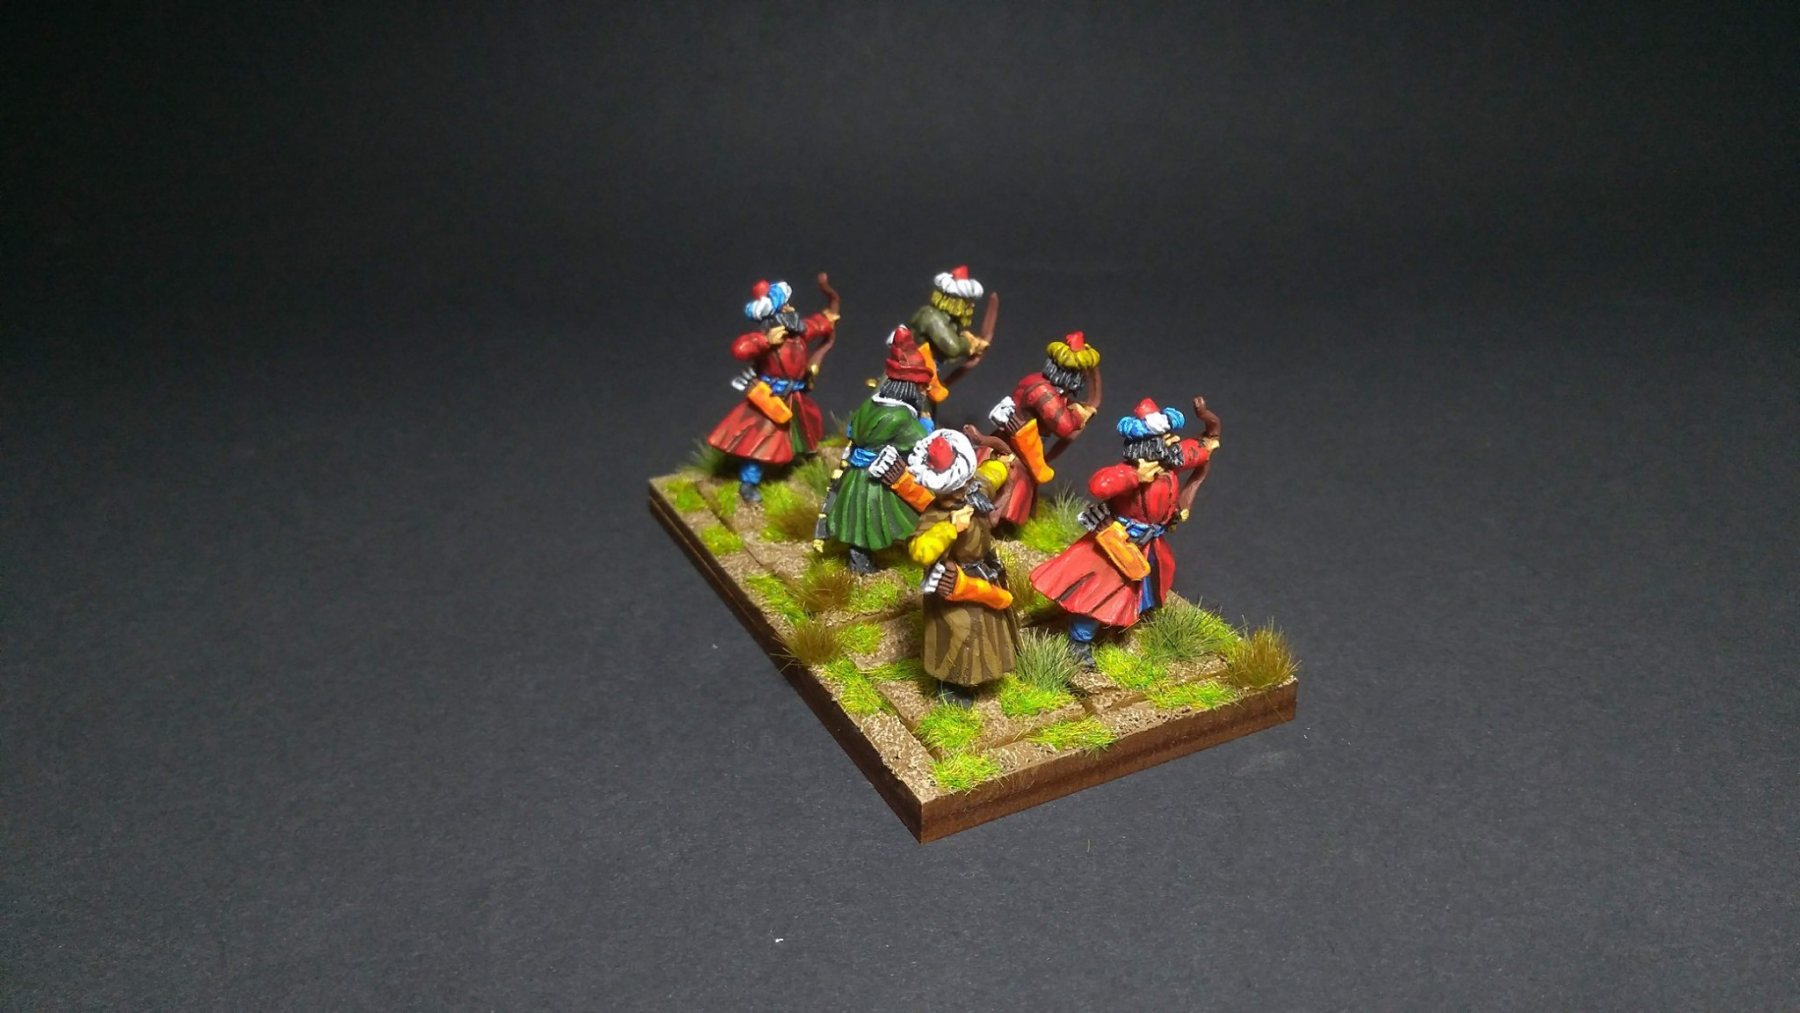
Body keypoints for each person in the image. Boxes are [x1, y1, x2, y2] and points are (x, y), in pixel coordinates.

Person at [1029, 399, 1218, 667]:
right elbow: (1100, 485)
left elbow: (1202, 447)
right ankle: (1079, 643)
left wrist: (1208, 425)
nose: (1174, 441)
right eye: (1166, 438)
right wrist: (1136, 477)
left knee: (1155, 576)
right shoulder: (1129, 472)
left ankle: (1137, 612)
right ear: (1148, 446)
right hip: (1119, 541)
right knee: (1099, 593)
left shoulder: (1170, 461)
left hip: (1150, 541)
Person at [907, 428, 1020, 706]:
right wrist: (950, 527)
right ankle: (951, 683)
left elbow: (994, 472)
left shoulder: (975, 488)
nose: (958, 493)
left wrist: (1001, 461)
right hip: (954, 582)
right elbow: (920, 550)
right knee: (959, 631)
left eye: (961, 486)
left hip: (982, 573)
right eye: (950, 490)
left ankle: (986, 672)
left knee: (989, 626)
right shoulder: (936, 515)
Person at [704, 279, 838, 502]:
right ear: (775, 312)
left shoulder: (798, 331)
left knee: (806, 427)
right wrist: (765, 341)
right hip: (771, 398)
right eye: (785, 306)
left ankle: (795, 463)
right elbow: (740, 349)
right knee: (760, 442)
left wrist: (829, 317)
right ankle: (749, 482)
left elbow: (816, 325)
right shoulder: (765, 339)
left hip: (795, 395)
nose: (791, 308)